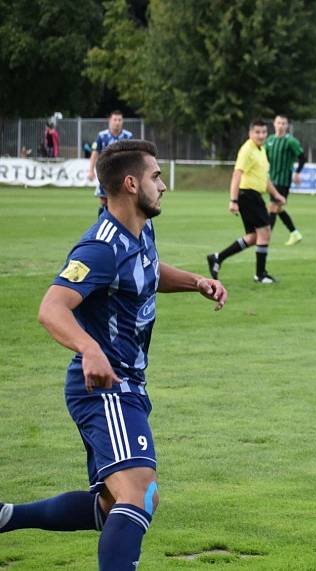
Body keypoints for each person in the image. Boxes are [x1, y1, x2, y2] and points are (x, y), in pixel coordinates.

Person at [0, 140, 228, 570]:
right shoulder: (99, 248)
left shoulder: (141, 229)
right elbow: (52, 308)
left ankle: (6, 516)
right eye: (155, 176)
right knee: (140, 493)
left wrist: (195, 281)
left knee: (111, 505)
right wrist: (89, 349)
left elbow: (147, 269)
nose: (163, 186)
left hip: (128, 385)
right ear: (130, 183)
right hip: (105, 387)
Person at [206, 119, 286, 284]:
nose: (261, 135)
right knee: (265, 233)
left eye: (264, 132)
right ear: (250, 133)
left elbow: (265, 178)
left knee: (254, 237)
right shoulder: (247, 149)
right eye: (257, 132)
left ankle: (217, 258)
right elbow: (237, 174)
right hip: (248, 195)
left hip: (254, 195)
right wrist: (233, 200)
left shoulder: (261, 150)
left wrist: (276, 195)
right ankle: (260, 274)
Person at [265, 114, 307, 245]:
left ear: (287, 125)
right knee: (277, 208)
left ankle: (265, 236)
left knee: (272, 207)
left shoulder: (290, 141)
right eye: (279, 123)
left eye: (284, 123)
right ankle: (294, 233)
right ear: (274, 124)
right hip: (271, 180)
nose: (281, 126)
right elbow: (263, 158)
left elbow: (302, 157)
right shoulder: (270, 140)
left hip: (283, 180)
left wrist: (297, 173)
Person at [88, 110, 133, 215]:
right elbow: (95, 153)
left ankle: (121, 226)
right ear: (110, 120)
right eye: (115, 119)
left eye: (119, 120)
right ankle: (102, 225)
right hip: (106, 175)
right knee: (104, 201)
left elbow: (132, 156)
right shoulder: (102, 136)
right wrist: (91, 170)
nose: (117, 122)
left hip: (123, 175)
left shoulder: (128, 136)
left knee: (123, 201)